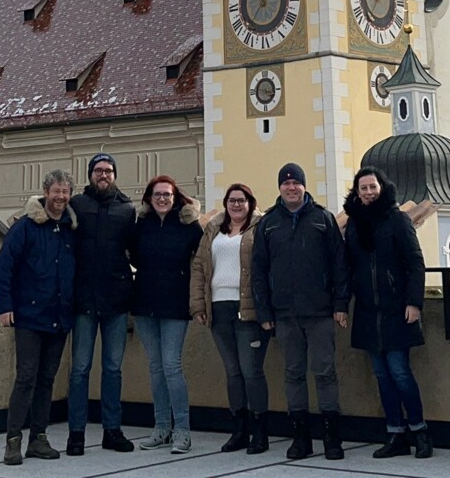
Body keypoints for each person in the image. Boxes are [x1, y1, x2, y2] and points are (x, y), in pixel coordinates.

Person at [251, 163, 349, 461]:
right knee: (293, 374)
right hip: (284, 314)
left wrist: (340, 305)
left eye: (296, 183)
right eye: (286, 183)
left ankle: (332, 439)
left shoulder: (323, 219)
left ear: (304, 187)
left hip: (320, 313)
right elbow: (258, 270)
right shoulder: (268, 223)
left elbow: (339, 266)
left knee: (325, 373)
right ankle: (301, 439)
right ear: (279, 187)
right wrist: (264, 310)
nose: (291, 188)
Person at [343, 165, 432, 459]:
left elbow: (415, 263)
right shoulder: (354, 224)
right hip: (368, 311)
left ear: (382, 188)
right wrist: (342, 304)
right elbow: (348, 267)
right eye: (363, 188)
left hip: (396, 309)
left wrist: (414, 302)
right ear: (357, 192)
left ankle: (420, 432)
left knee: (400, 373)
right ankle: (395, 434)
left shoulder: (397, 219)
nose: (368, 192)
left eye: (373, 187)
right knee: (382, 375)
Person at [0, 169, 77, 466]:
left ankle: (38, 439)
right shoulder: (25, 227)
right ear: (45, 192)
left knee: (47, 380)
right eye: (56, 191)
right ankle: (13, 441)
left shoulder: (69, 228)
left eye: (65, 192)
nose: (60, 197)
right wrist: (4, 307)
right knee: (26, 377)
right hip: (29, 316)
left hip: (59, 317)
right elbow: (3, 268)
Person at [190, 183, 269, 455]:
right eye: (232, 200)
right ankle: (239, 430)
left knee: (251, 372)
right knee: (233, 372)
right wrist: (198, 304)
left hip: (248, 308)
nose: (236, 205)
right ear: (225, 203)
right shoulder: (214, 229)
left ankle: (260, 432)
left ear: (250, 203)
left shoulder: (260, 228)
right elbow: (199, 266)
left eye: (242, 201)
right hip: (218, 308)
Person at [66, 153, 136, 456]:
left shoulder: (127, 208)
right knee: (80, 369)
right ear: (90, 175)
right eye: (98, 170)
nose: (103, 175)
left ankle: (112, 431)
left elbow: (138, 250)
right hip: (83, 300)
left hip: (116, 301)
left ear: (115, 175)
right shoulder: (77, 205)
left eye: (108, 170)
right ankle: (76, 433)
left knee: (113, 369)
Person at [130, 175, 203, 454]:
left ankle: (182, 430)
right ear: (149, 198)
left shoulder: (188, 225)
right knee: (156, 368)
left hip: (175, 306)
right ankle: (161, 428)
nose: (162, 199)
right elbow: (133, 258)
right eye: (158, 194)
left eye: (167, 195)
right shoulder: (141, 226)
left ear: (176, 198)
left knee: (172, 366)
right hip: (145, 303)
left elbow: (202, 260)